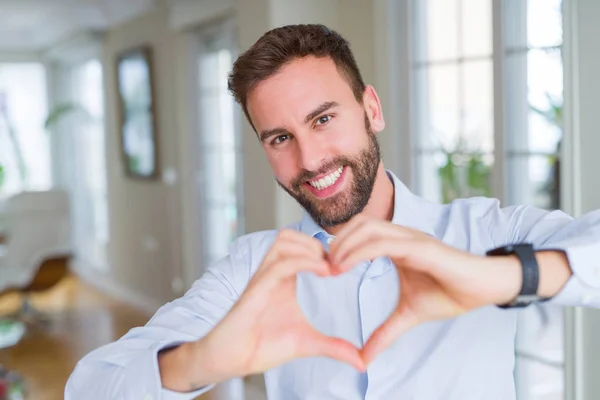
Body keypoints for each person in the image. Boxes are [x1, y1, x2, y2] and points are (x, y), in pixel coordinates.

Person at [65, 24, 600, 399]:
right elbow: (89, 387)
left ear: (371, 109)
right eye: (280, 137)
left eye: (322, 119)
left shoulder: (483, 231)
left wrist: (499, 275)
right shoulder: (252, 271)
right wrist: (202, 361)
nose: (310, 158)